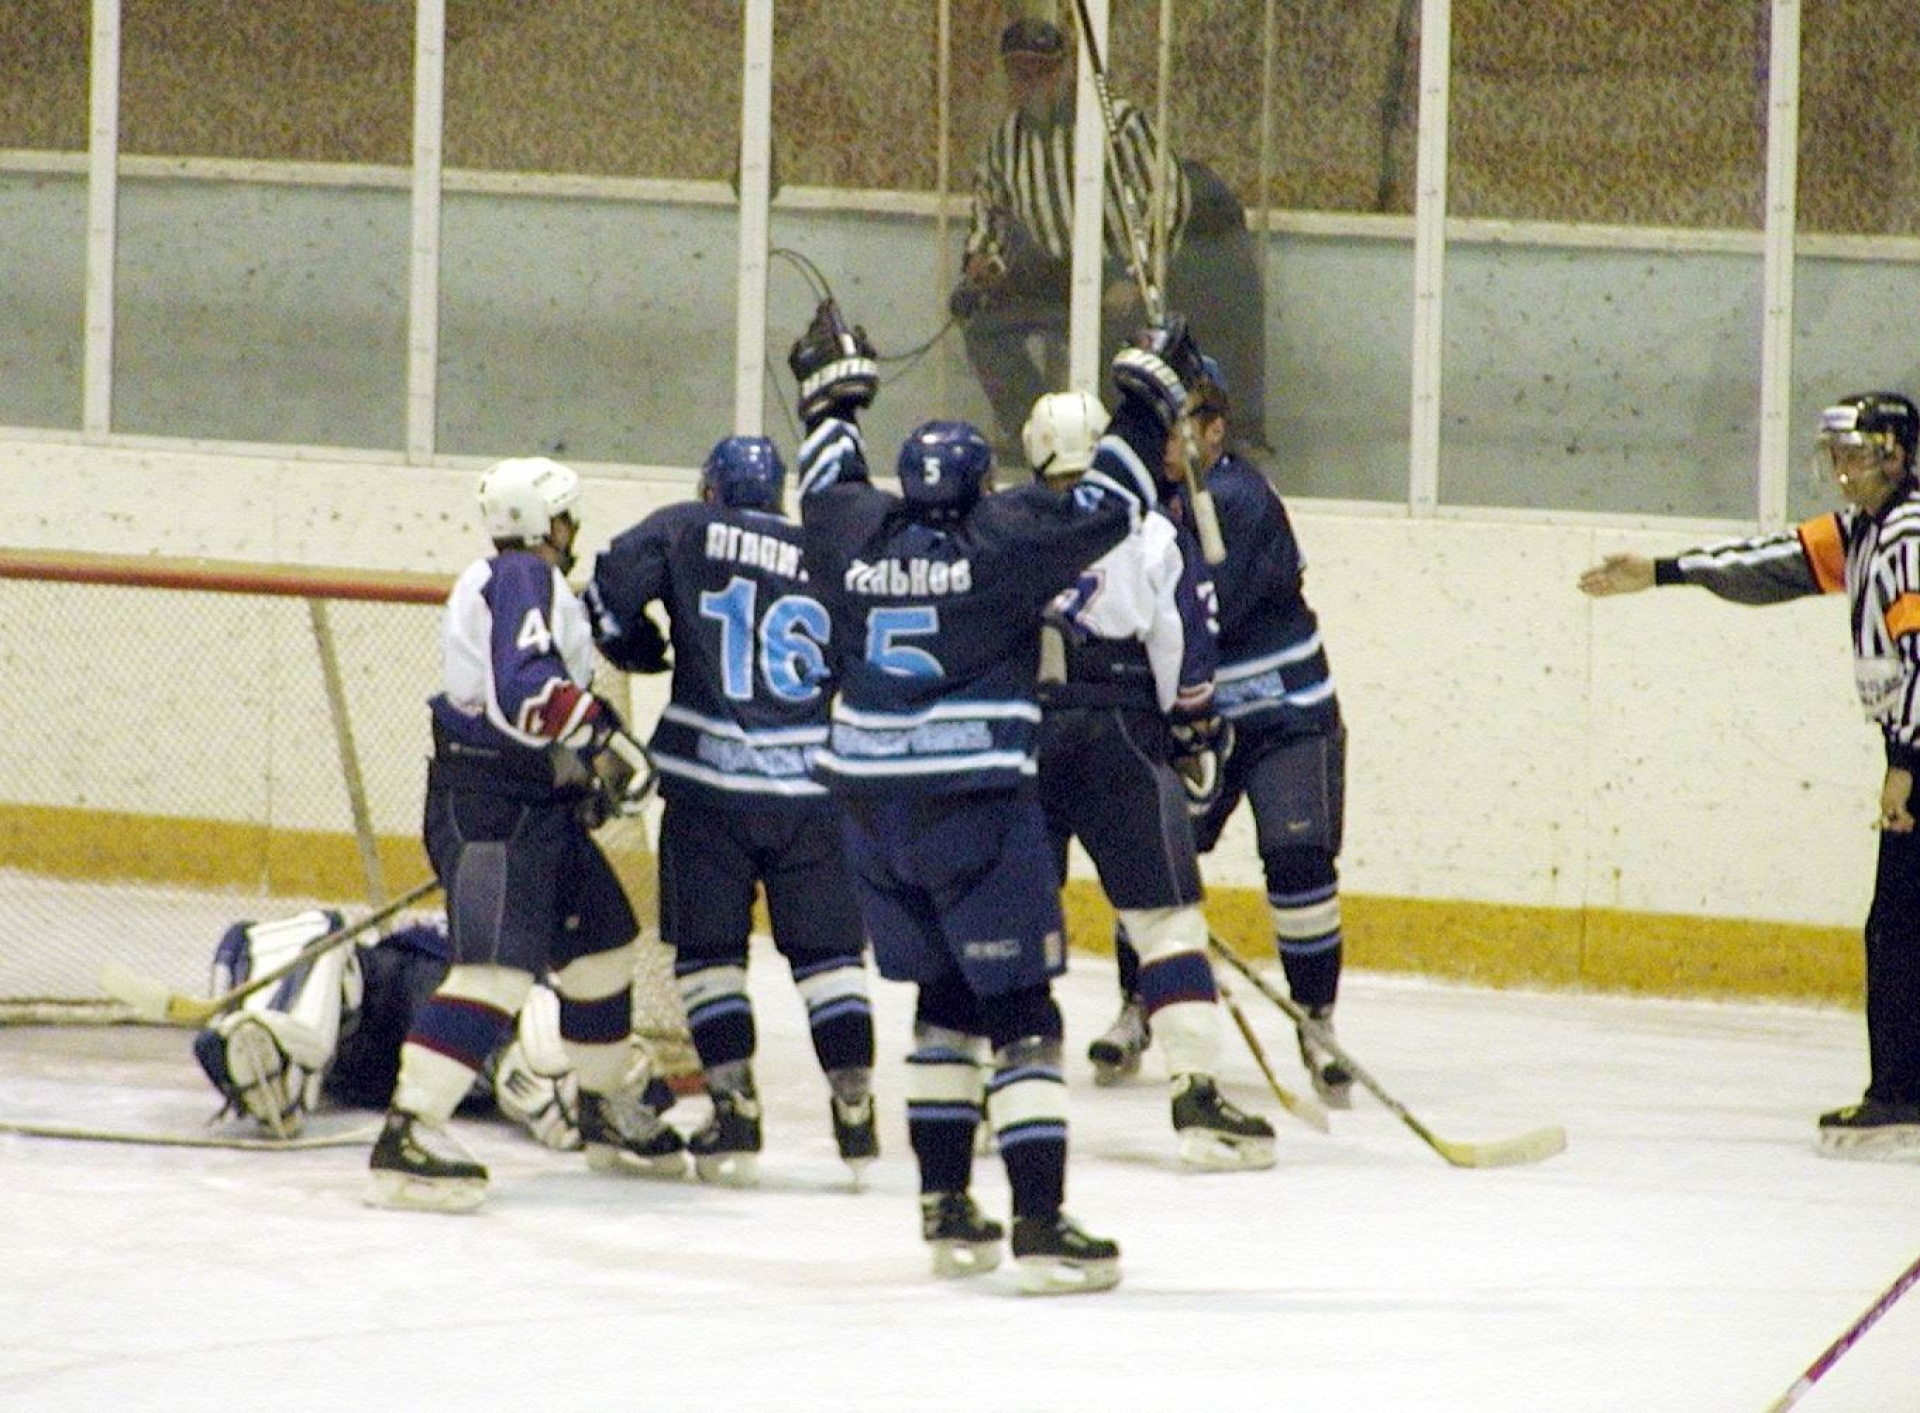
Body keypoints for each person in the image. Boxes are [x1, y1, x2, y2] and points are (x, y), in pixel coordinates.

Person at [787, 297, 1192, 1292]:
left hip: (871, 816)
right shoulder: (1001, 540)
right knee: (1022, 1013)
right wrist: (1149, 391)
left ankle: (944, 1205)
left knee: (944, 1003)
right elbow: (1114, 499)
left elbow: (826, 468)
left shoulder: (852, 532)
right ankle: (1041, 1223)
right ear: (977, 489)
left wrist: (833, 392)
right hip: (972, 803)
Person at [1578, 391, 1920, 1158]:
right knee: (1899, 923)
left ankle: (1903, 1095)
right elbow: (1778, 563)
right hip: (1911, 745)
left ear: (1896, 455)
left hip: (1918, 751)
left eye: (1856, 455)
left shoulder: (1908, 537)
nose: (1843, 470)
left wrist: (1906, 760)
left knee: (1899, 927)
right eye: (1835, 456)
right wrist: (1663, 571)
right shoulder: (1866, 531)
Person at [364, 456, 678, 1213]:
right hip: (493, 810)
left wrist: (577, 773)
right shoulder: (521, 577)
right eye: (566, 517)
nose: (573, 530)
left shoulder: (516, 582)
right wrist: (606, 739)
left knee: (601, 947)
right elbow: (527, 689)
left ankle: (603, 1106)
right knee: (496, 974)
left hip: (533, 803)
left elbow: (528, 703)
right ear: (546, 523)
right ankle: (409, 1133)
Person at [583, 435, 879, 1187]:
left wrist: (637, 643)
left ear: (712, 489)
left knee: (710, 958)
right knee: (830, 961)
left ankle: (734, 1112)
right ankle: (855, 1107)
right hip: (813, 793)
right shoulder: (829, 554)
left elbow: (609, 587)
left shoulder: (688, 526)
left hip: (708, 791)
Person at [1022, 388, 1276, 1170]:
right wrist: (1190, 730)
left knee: (1014, 920)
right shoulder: (1151, 526)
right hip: (1120, 734)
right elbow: (1187, 654)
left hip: (1021, 735)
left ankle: (1003, 1094)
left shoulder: (1004, 523)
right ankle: (1197, 1099)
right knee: (1166, 922)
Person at [1094, 359, 1355, 1106]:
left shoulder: (1238, 498)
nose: (1166, 443)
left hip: (1284, 711)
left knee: (1299, 858)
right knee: (1155, 863)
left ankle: (1316, 1021)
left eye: (1182, 426)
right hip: (1195, 718)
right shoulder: (1154, 498)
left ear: (1215, 432)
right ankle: (1139, 1006)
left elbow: (1188, 608)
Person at [950, 17, 1267, 455]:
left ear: (1066, 70)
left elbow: (1166, 203)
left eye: (1043, 70)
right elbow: (990, 212)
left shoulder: (1119, 124)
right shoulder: (1007, 142)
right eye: (1020, 72)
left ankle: (1112, 442)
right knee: (984, 324)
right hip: (1056, 271)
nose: (1031, 83)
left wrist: (1135, 277)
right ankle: (1036, 431)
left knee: (1112, 345)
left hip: (1123, 268)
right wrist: (983, 260)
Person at [194, 910, 665, 1153]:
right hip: (421, 1020)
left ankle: (565, 1085)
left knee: (535, 1026)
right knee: (307, 937)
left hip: (451, 1016)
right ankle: (275, 1047)